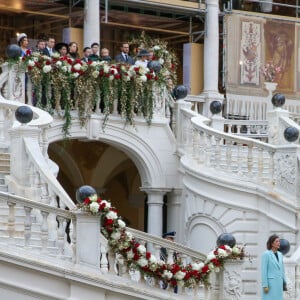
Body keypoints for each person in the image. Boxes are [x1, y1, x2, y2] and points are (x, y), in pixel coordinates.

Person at [261, 234, 287, 300]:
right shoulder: (266, 254)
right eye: (277, 241)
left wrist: (284, 282)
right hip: (270, 284)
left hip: (279, 283)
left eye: (279, 241)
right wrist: (265, 285)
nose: (279, 243)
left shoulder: (280, 254)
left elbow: (282, 269)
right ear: (272, 243)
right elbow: (264, 271)